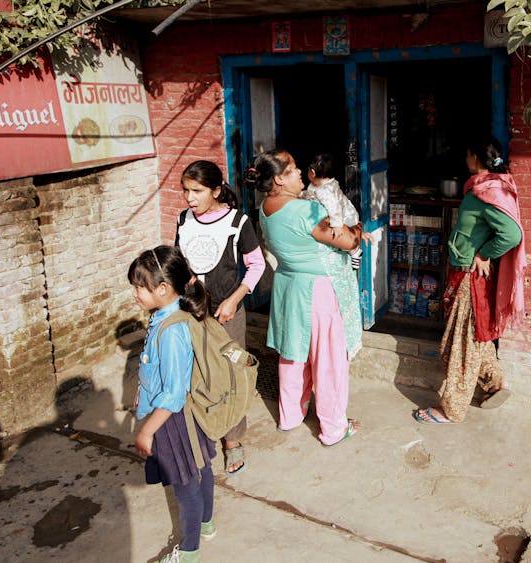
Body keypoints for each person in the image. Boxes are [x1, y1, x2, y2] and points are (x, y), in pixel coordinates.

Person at [242, 149, 362, 446]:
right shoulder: (306, 212)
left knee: (294, 354)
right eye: (294, 169)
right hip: (318, 290)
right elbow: (349, 241)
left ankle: (290, 415)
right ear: (280, 179)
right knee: (328, 359)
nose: (300, 173)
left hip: (289, 286)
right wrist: (358, 226)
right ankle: (334, 428)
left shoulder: (266, 208)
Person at [414, 136, 527, 424]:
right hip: (465, 273)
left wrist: (484, 254)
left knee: (459, 344)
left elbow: (511, 234)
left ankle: (450, 410)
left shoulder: (486, 192)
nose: (464, 158)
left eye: (467, 153)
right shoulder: (487, 187)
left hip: (470, 278)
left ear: (475, 157)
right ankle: (493, 383)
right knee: (476, 335)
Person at [175, 160, 265, 476]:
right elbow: (181, 264)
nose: (189, 198)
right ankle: (202, 433)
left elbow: (257, 266)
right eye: (186, 190)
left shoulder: (238, 222)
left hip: (227, 315)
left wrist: (232, 300)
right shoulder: (183, 220)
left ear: (215, 190)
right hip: (191, 312)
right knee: (196, 373)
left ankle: (233, 441)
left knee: (230, 376)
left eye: (197, 191)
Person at [129, 245, 216, 563]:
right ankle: (206, 524)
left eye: (140, 286)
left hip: (174, 420)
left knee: (185, 484)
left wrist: (147, 431)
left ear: (163, 288)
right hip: (185, 416)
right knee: (201, 468)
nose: (135, 293)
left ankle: (190, 551)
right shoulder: (167, 315)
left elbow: (173, 392)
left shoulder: (172, 331)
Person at [301, 153, 367, 269]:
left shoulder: (325, 190)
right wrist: (301, 195)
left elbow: (334, 208)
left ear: (312, 172)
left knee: (340, 237)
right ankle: (353, 252)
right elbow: (311, 196)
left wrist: (337, 225)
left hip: (346, 216)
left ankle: (355, 251)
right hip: (341, 213)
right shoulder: (317, 185)